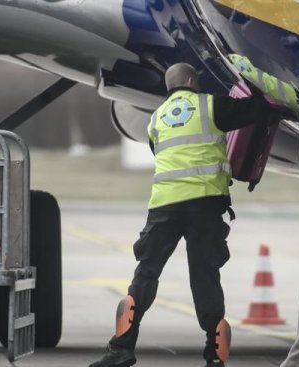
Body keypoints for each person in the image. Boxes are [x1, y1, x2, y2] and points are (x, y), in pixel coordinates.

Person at [89, 63, 277, 367]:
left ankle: (120, 349)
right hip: (204, 204)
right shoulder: (209, 106)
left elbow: (161, 152)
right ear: (191, 81)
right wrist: (253, 78)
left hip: (164, 205)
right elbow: (257, 109)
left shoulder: (155, 120)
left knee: (145, 275)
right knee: (204, 277)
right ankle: (214, 355)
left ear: (169, 86)